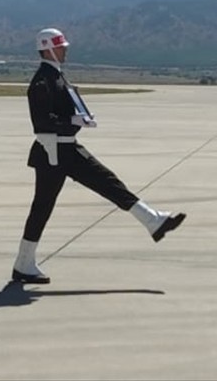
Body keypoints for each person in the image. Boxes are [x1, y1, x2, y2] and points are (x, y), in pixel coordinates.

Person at [12, 28, 186, 284]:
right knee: (43, 207)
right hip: (53, 152)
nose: (65, 50)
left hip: (67, 148)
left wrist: (77, 120)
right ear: (48, 49)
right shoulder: (42, 81)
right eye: (61, 47)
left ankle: (153, 221)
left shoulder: (56, 76)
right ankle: (23, 264)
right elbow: (42, 123)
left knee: (108, 182)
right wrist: (72, 119)